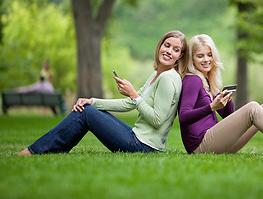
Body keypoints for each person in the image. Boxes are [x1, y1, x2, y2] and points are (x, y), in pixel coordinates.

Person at [18, 30, 188, 155]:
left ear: (179, 56)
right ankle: (50, 149)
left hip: (145, 146)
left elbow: (158, 120)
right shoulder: (157, 74)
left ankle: (35, 151)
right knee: (87, 110)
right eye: (167, 45)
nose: (168, 51)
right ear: (160, 46)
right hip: (138, 138)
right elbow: (129, 103)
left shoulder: (168, 79)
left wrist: (134, 95)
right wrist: (92, 101)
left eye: (175, 49)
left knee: (85, 114)